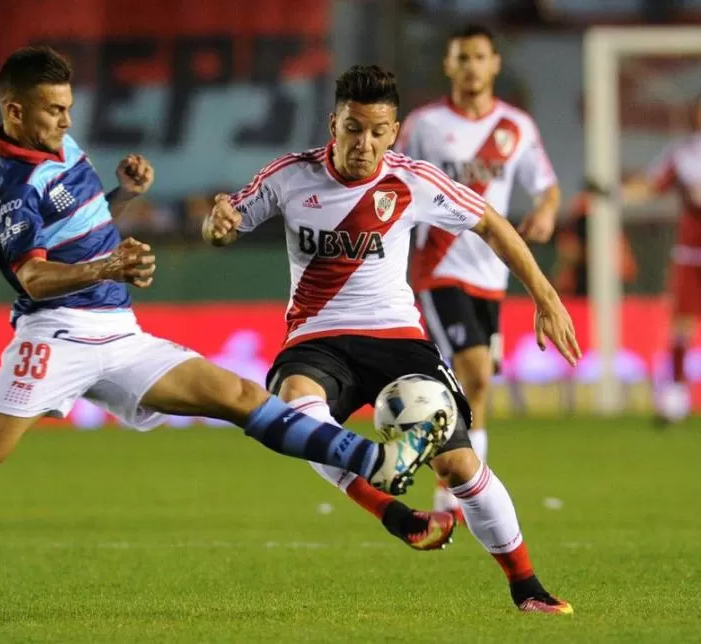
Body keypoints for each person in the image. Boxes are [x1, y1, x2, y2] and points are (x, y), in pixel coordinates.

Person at [0, 46, 447, 609]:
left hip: (117, 333)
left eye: (68, 109)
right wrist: (109, 265)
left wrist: (123, 196)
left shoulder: (61, 147)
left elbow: (82, 228)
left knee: (241, 399)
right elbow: (32, 277)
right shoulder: (8, 188)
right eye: (54, 110)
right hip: (53, 336)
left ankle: (376, 460)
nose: (66, 121)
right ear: (15, 111)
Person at [203, 64, 578, 614]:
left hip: (399, 340)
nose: (366, 143)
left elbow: (492, 223)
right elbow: (230, 217)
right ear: (334, 123)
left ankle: (527, 586)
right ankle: (397, 515)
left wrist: (546, 297)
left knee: (459, 469)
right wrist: (219, 224)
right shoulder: (290, 176)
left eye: (379, 132)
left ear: (394, 130)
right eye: (354, 128)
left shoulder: (413, 181)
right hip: (317, 338)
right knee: (298, 412)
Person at [395, 24, 561, 518]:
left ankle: (463, 484)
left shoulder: (516, 128)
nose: (470, 66)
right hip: (437, 267)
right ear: (449, 66)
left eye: (479, 57)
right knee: (471, 368)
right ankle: (465, 489)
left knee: (479, 382)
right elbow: (393, 181)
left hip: (492, 274)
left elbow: (546, 185)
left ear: (495, 65)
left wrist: (548, 210)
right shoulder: (423, 125)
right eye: (461, 57)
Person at [621, 95, 701, 423]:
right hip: (690, 254)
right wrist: (616, 192)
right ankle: (677, 397)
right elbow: (652, 184)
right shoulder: (684, 155)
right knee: (681, 327)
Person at [552, 178, 638, 297]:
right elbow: (567, 256)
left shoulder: (610, 229)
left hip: (606, 293)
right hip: (577, 294)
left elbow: (627, 269)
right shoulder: (575, 224)